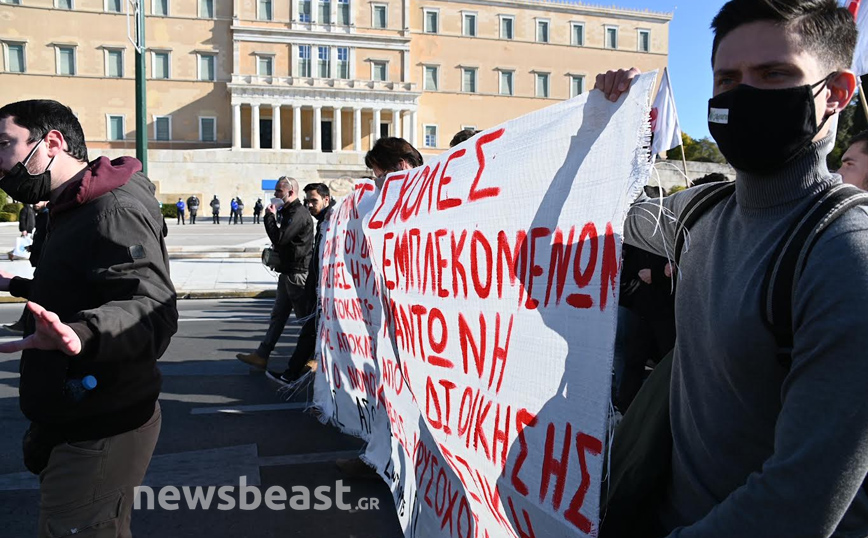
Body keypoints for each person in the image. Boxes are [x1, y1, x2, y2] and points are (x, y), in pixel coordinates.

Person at [596, 1, 868, 535]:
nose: (744, 95)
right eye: (728, 80)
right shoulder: (700, 213)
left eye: (774, 74)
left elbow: (797, 504)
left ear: (837, 92)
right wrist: (605, 129)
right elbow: (604, 217)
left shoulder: (844, 255)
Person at [0, 99, 178, 538]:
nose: (0, 162)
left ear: (52, 143)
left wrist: (81, 334)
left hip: (101, 421)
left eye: (4, 144)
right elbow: (79, 283)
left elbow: (152, 307)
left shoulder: (111, 209)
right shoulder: (71, 206)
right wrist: (16, 284)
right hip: (75, 414)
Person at [336, 138, 423, 478]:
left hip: (421, 328)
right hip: (396, 322)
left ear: (401, 166)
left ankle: (390, 461)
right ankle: (381, 457)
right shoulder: (388, 203)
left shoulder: (430, 200)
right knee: (391, 391)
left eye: (378, 175)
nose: (376, 183)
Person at [236, 177, 313, 370]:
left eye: (279, 191)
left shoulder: (298, 213)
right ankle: (262, 354)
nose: (276, 194)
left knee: (305, 319)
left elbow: (280, 238)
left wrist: (269, 217)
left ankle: (316, 357)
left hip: (297, 274)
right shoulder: (288, 211)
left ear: (291, 192)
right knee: (278, 316)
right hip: (287, 273)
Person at [266, 182, 334, 385]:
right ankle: (293, 370)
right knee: (306, 326)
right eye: (307, 201)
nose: (310, 205)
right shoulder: (322, 220)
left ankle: (297, 371)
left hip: (308, 278)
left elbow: (280, 238)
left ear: (326, 199)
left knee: (308, 326)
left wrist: (269, 217)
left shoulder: (330, 220)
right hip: (312, 281)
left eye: (314, 200)